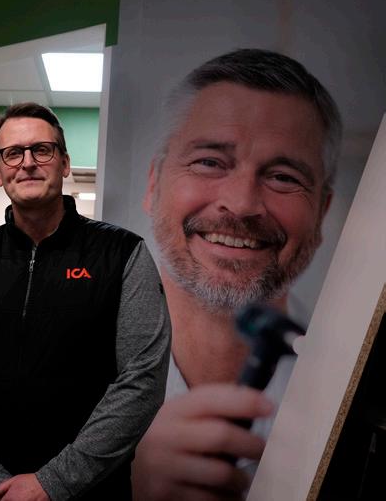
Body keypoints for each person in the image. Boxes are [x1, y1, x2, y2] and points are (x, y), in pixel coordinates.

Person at [0, 102, 171, 501]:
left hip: (88, 493)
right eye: (12, 153)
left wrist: (52, 484)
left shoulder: (122, 254)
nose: (28, 163)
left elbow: (143, 381)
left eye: (42, 150)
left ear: (64, 163)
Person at [131, 48, 342, 500]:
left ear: (321, 213)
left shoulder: (356, 390)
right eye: (210, 161)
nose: (242, 204)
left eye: (283, 177)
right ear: (153, 184)